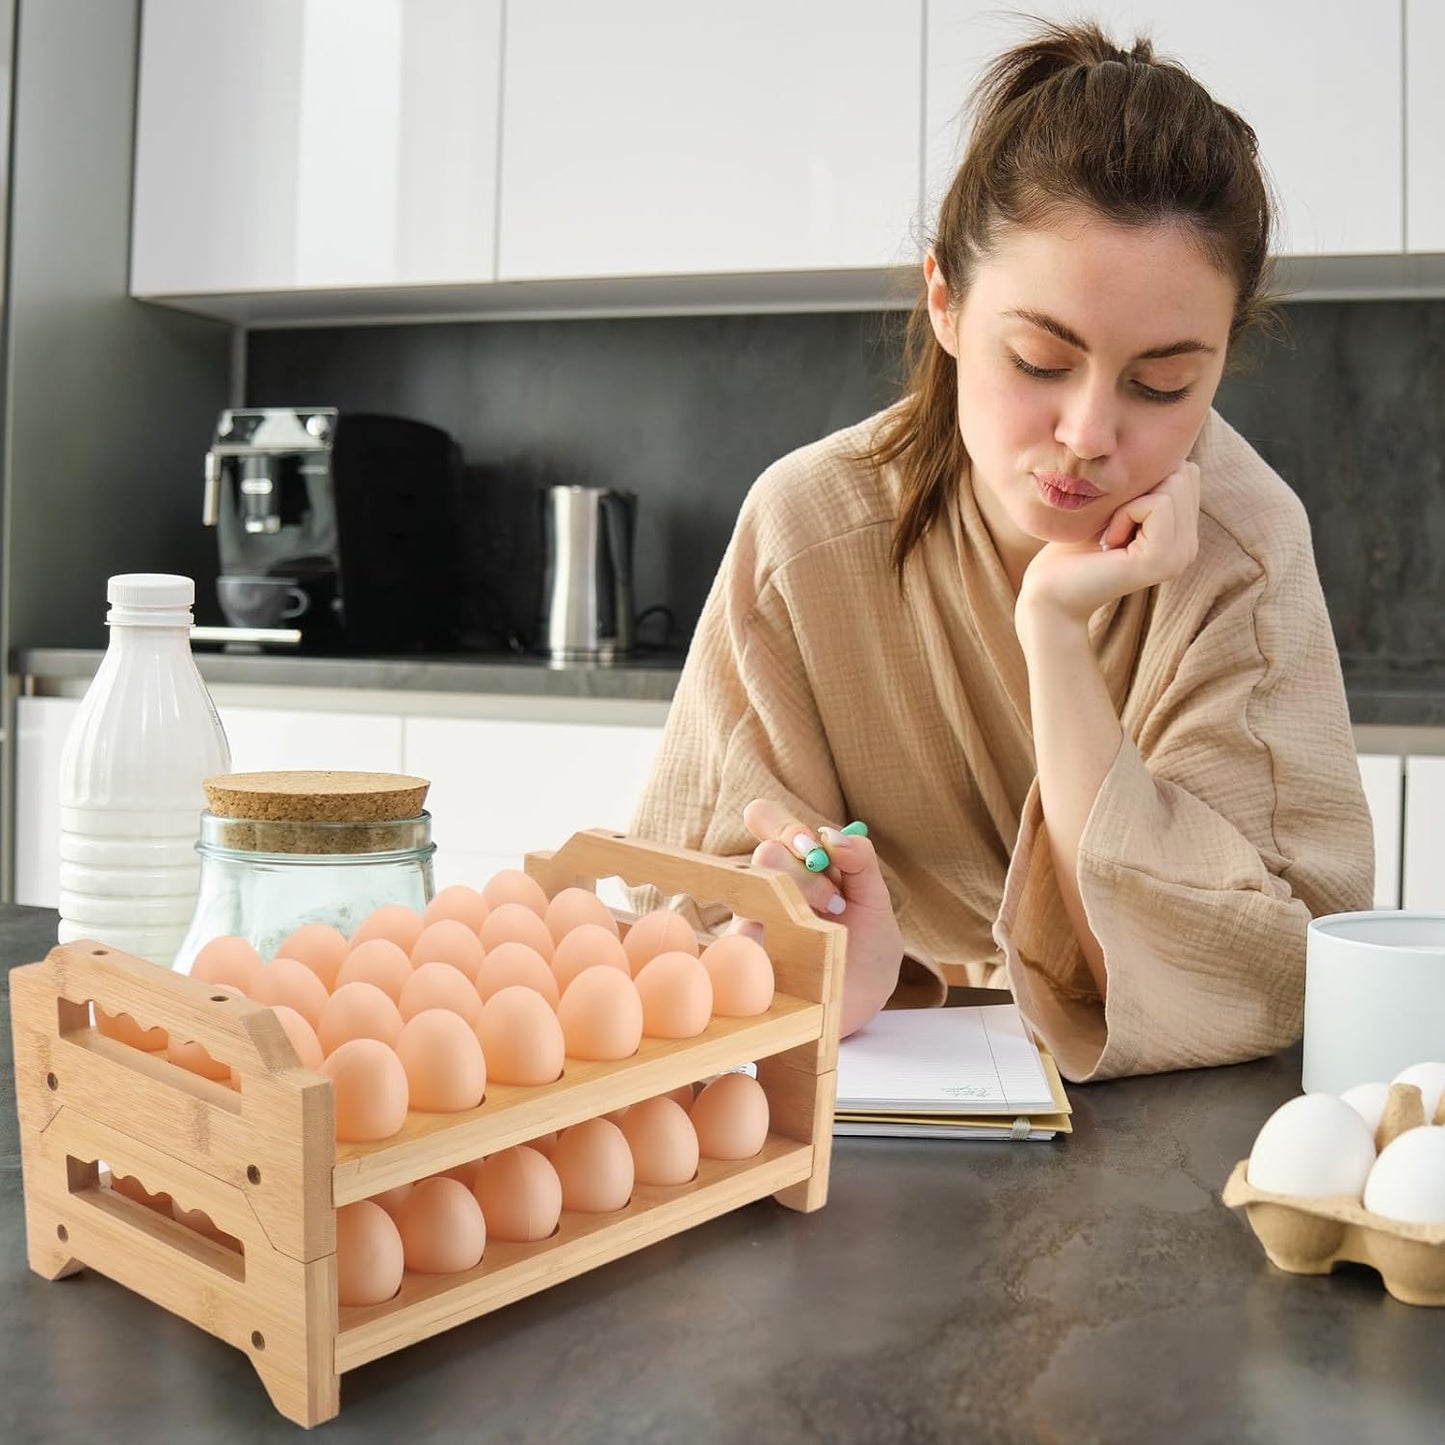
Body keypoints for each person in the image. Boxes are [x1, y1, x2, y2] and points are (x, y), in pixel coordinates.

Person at [629, 19, 1373, 1081]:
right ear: (943, 300)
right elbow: (688, 895)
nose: (1086, 433)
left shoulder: (1241, 553)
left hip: (1166, 1123)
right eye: (1037, 358)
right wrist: (817, 941)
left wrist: (1055, 632)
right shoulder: (806, 527)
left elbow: (1261, 966)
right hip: (876, 1094)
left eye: (1162, 385)